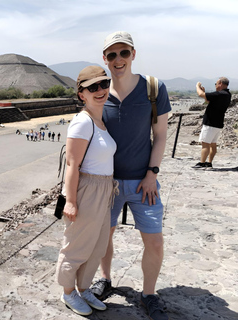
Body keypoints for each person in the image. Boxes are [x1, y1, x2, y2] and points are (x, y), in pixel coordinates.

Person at [92, 31, 171, 320]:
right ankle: (105, 278)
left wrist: (152, 173)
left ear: (133, 54)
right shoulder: (99, 91)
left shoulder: (153, 88)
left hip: (143, 182)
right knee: (104, 237)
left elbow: (160, 135)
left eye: (123, 52)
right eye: (111, 55)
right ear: (105, 59)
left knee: (155, 242)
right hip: (106, 183)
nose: (118, 59)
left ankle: (149, 293)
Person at [56, 66, 117, 316]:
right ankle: (68, 292)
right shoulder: (83, 122)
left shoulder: (101, 120)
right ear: (82, 94)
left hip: (104, 189)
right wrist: (70, 201)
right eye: (93, 87)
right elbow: (72, 164)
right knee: (77, 245)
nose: (100, 90)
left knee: (98, 245)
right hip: (88, 188)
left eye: (103, 84)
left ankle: (84, 288)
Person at [192, 78, 232, 169]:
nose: (215, 85)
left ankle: (202, 163)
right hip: (218, 123)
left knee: (205, 143)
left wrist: (197, 86)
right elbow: (209, 100)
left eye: (216, 83)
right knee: (213, 144)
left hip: (210, 123)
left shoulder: (220, 94)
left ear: (220, 84)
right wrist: (204, 93)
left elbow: (200, 94)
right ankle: (209, 162)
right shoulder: (227, 94)